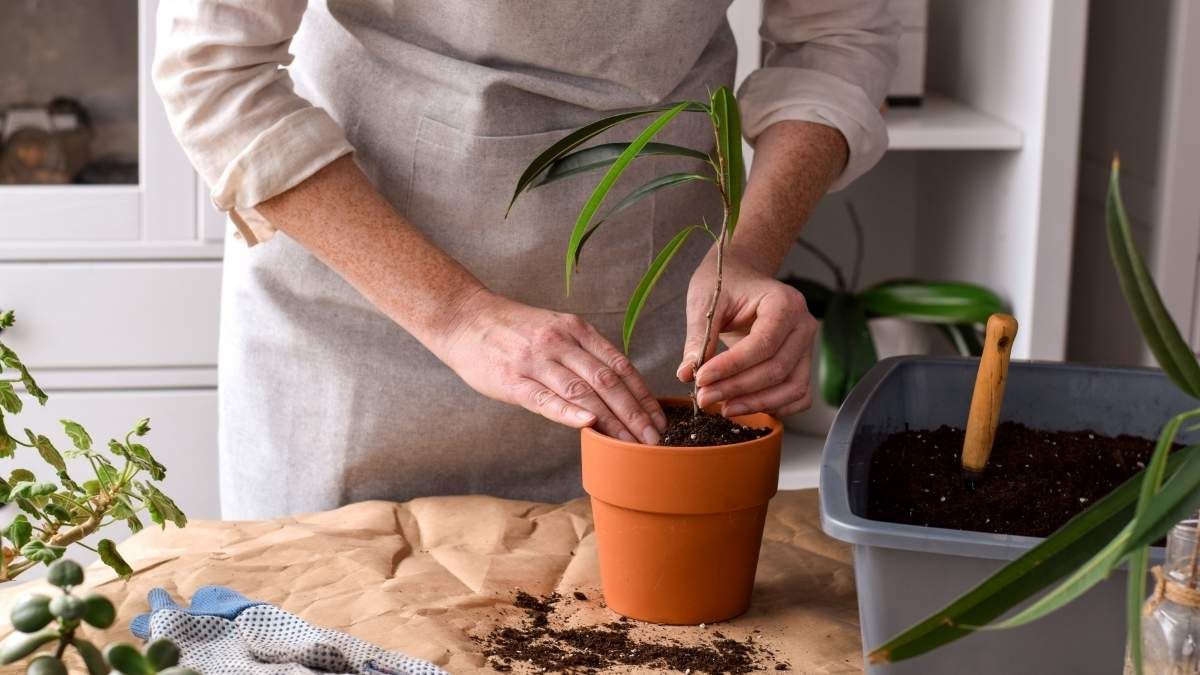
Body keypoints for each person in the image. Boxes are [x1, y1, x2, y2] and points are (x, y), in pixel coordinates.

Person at [153, 1, 898, 519]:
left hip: (643, 325)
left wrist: (751, 250)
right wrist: (455, 314)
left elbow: (837, 41)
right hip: (361, 330)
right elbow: (212, 69)